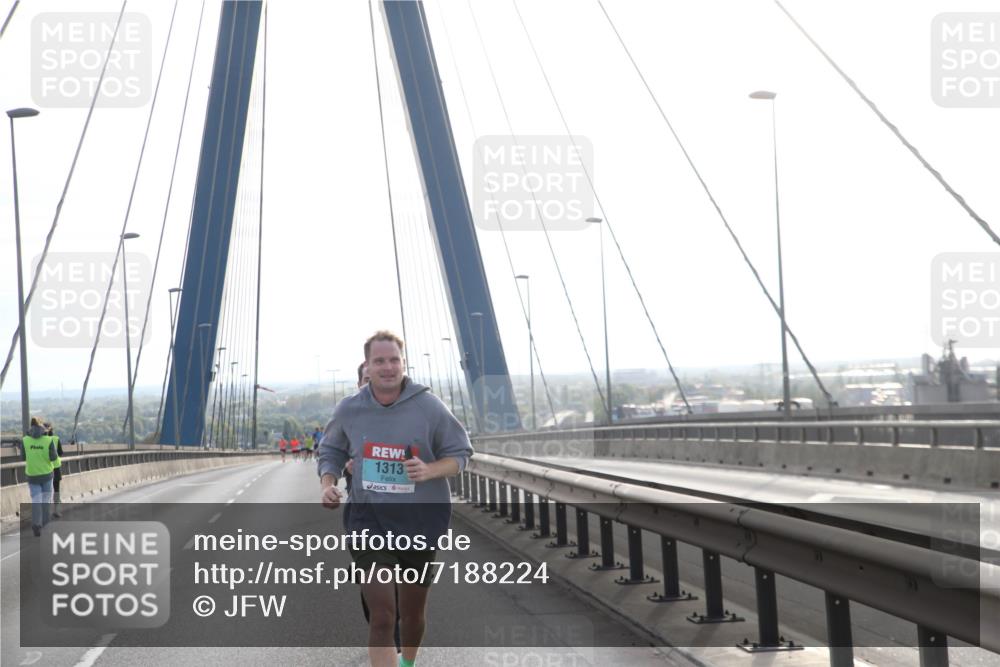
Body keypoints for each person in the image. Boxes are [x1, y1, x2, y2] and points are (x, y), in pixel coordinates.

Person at [318, 331, 472, 667]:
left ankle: (407, 663)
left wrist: (430, 470)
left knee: (411, 616)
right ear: (367, 367)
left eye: (394, 360)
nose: (387, 367)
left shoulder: (428, 406)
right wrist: (327, 483)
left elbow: (460, 453)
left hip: (419, 522)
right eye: (379, 361)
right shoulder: (349, 409)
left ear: (403, 364)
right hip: (367, 521)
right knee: (384, 615)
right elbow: (330, 450)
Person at [22, 416, 57, 536]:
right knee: (46, 501)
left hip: (32, 475)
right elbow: (54, 457)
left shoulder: (25, 440)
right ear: (42, 427)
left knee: (36, 501)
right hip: (47, 475)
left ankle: (36, 525)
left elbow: (23, 457)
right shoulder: (48, 440)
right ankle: (46, 525)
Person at [44, 422, 64, 518]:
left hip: (45, 468)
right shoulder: (56, 439)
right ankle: (56, 511)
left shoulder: (41, 440)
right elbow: (60, 452)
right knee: (56, 490)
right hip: (56, 467)